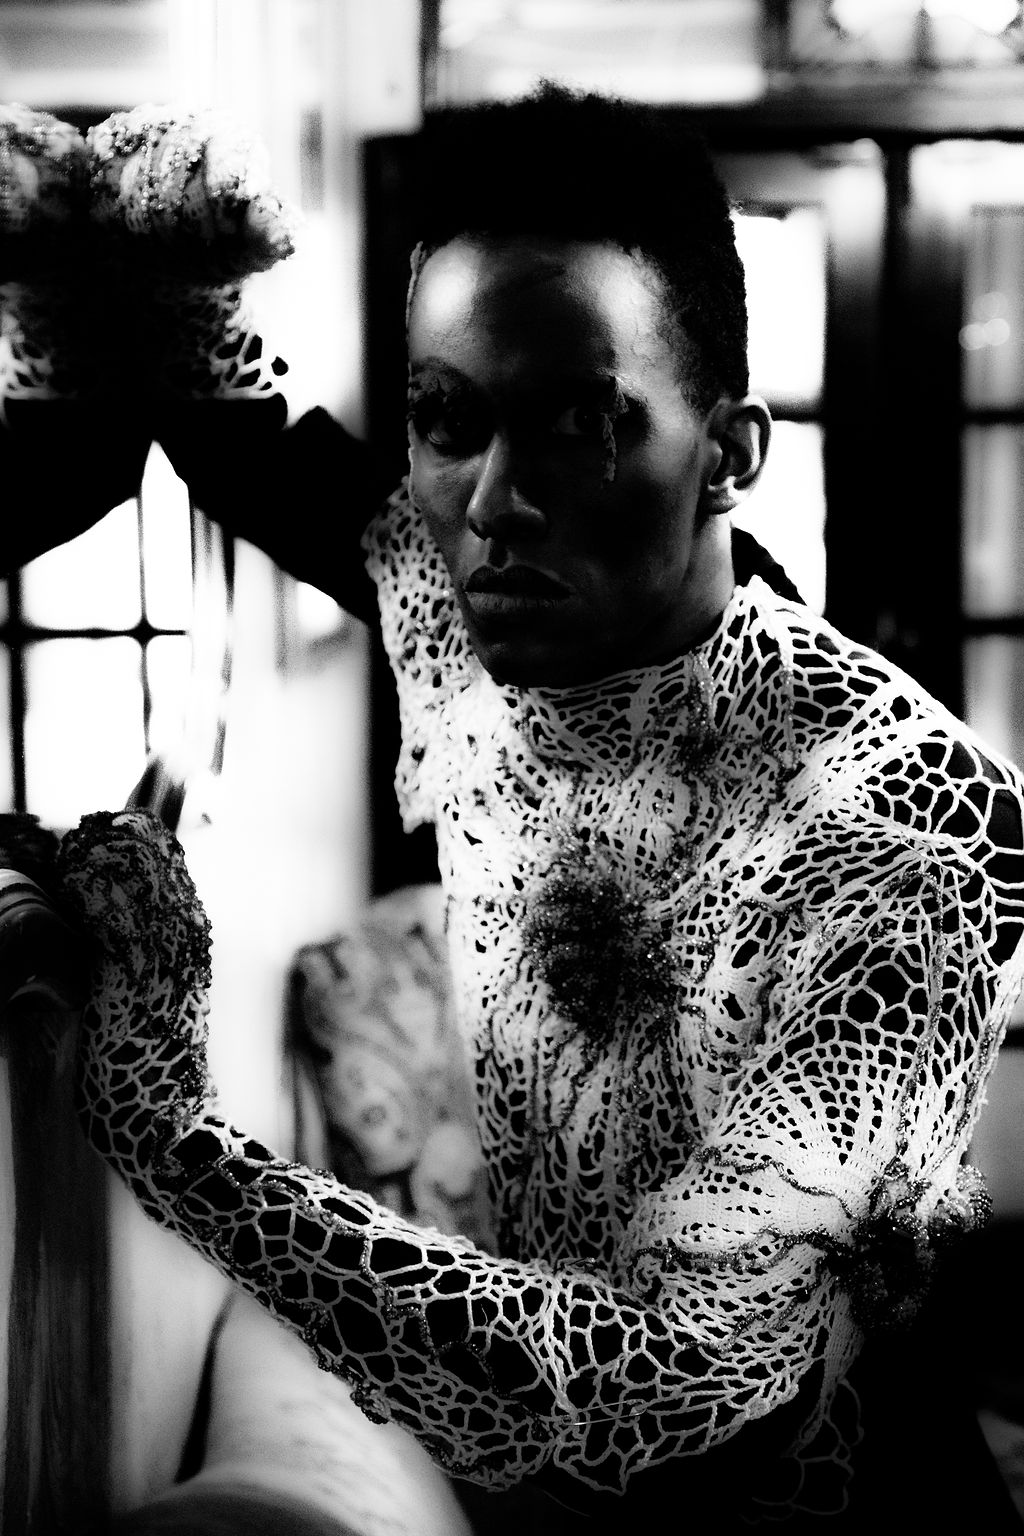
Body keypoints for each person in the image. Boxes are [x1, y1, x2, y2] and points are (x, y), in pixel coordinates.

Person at [5, 88, 1024, 1533]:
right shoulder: (494, 626)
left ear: (731, 450)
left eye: (583, 426)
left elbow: (667, 1373)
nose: (495, 503)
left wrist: (177, 1141)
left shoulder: (904, 825)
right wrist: (118, 231)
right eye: (447, 420)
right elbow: (263, 457)